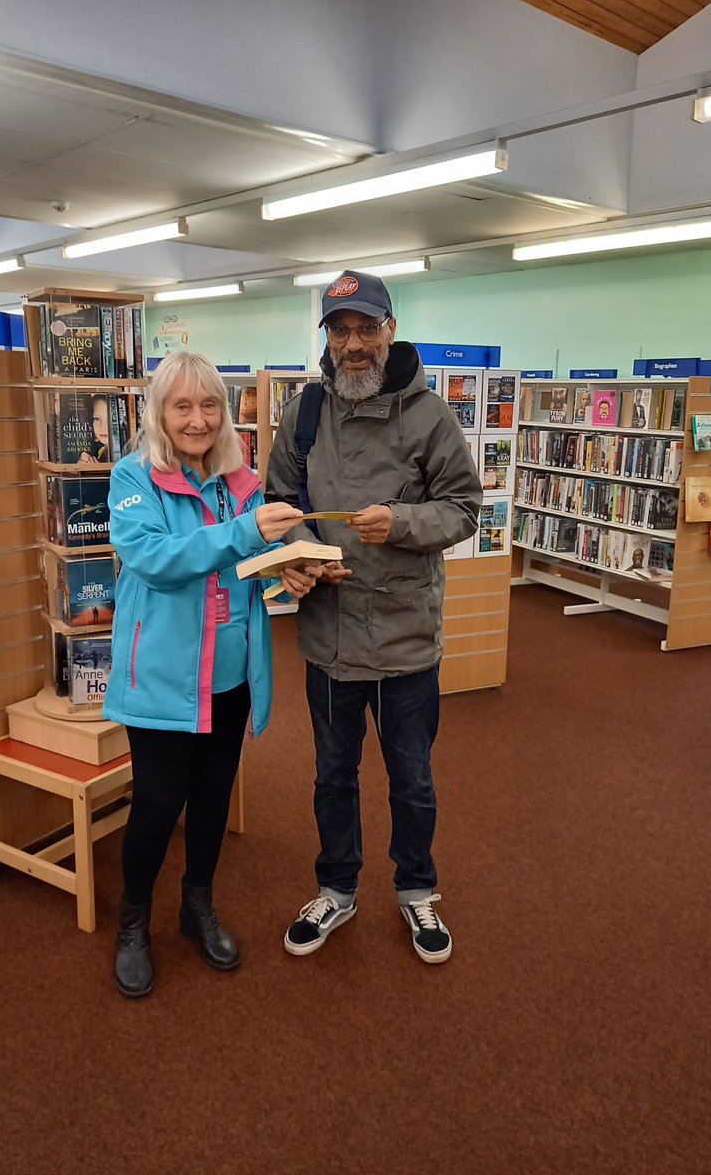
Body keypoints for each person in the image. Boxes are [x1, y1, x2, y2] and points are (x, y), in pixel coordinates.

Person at [266, 270, 482, 965]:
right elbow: (275, 506)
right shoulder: (301, 414)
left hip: (406, 639)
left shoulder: (430, 415)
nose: (352, 344)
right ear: (325, 337)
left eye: (365, 328)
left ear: (390, 329)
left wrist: (405, 521)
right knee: (333, 775)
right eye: (339, 330)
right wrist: (295, 556)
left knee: (411, 778)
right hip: (328, 637)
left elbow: (465, 508)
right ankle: (337, 887)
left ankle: (417, 888)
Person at [103, 351, 309, 998]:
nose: (198, 419)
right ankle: (133, 921)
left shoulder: (239, 481)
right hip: (162, 683)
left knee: (214, 799)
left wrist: (290, 566)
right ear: (161, 413)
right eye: (183, 406)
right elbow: (159, 559)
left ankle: (197, 907)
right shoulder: (132, 478)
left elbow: (254, 558)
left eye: (210, 405)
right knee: (159, 807)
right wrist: (249, 534)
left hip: (231, 677)